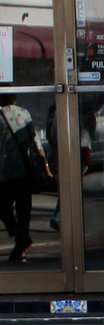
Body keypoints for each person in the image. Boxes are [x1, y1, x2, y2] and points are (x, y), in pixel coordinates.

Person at [0, 100, 50, 263]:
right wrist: (44, 164)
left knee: (3, 204)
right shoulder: (23, 112)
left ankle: (18, 235)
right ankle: (20, 246)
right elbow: (34, 140)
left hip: (5, 169)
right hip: (25, 168)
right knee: (23, 208)